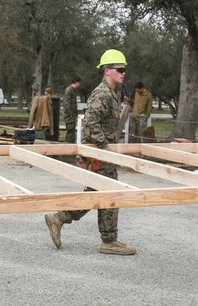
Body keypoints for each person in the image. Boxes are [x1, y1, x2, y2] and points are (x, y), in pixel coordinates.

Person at [44, 50, 137, 256]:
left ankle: (62, 219)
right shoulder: (102, 94)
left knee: (99, 194)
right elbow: (89, 125)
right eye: (119, 69)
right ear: (107, 71)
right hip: (100, 155)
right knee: (108, 194)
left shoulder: (112, 93)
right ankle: (106, 240)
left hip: (103, 154)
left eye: (124, 70)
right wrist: (105, 147)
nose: (124, 73)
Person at [63, 76, 81, 143]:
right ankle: (68, 146)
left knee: (72, 132)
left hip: (72, 115)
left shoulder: (73, 90)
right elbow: (67, 104)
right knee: (70, 133)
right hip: (69, 116)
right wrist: (70, 115)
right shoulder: (69, 90)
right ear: (77, 82)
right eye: (79, 83)